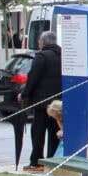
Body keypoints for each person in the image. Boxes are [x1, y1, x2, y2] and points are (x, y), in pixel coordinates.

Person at [21, 30, 63, 168]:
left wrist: (25, 94)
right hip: (57, 103)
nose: (39, 43)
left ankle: (36, 161)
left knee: (38, 133)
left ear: (43, 42)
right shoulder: (63, 55)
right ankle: (52, 162)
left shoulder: (41, 56)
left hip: (41, 103)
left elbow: (33, 77)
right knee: (54, 133)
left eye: (39, 41)